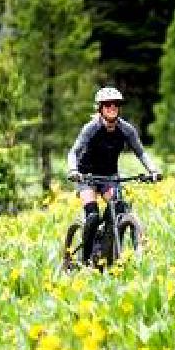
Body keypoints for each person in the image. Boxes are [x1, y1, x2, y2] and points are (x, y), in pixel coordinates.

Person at [67, 87, 161, 265]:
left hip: (109, 177)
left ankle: (108, 252)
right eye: (107, 105)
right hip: (86, 177)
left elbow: (141, 153)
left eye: (116, 104)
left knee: (118, 208)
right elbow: (73, 152)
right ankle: (86, 260)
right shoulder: (91, 128)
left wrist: (153, 171)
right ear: (100, 108)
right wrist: (73, 171)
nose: (112, 108)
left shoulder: (126, 129)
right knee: (93, 216)